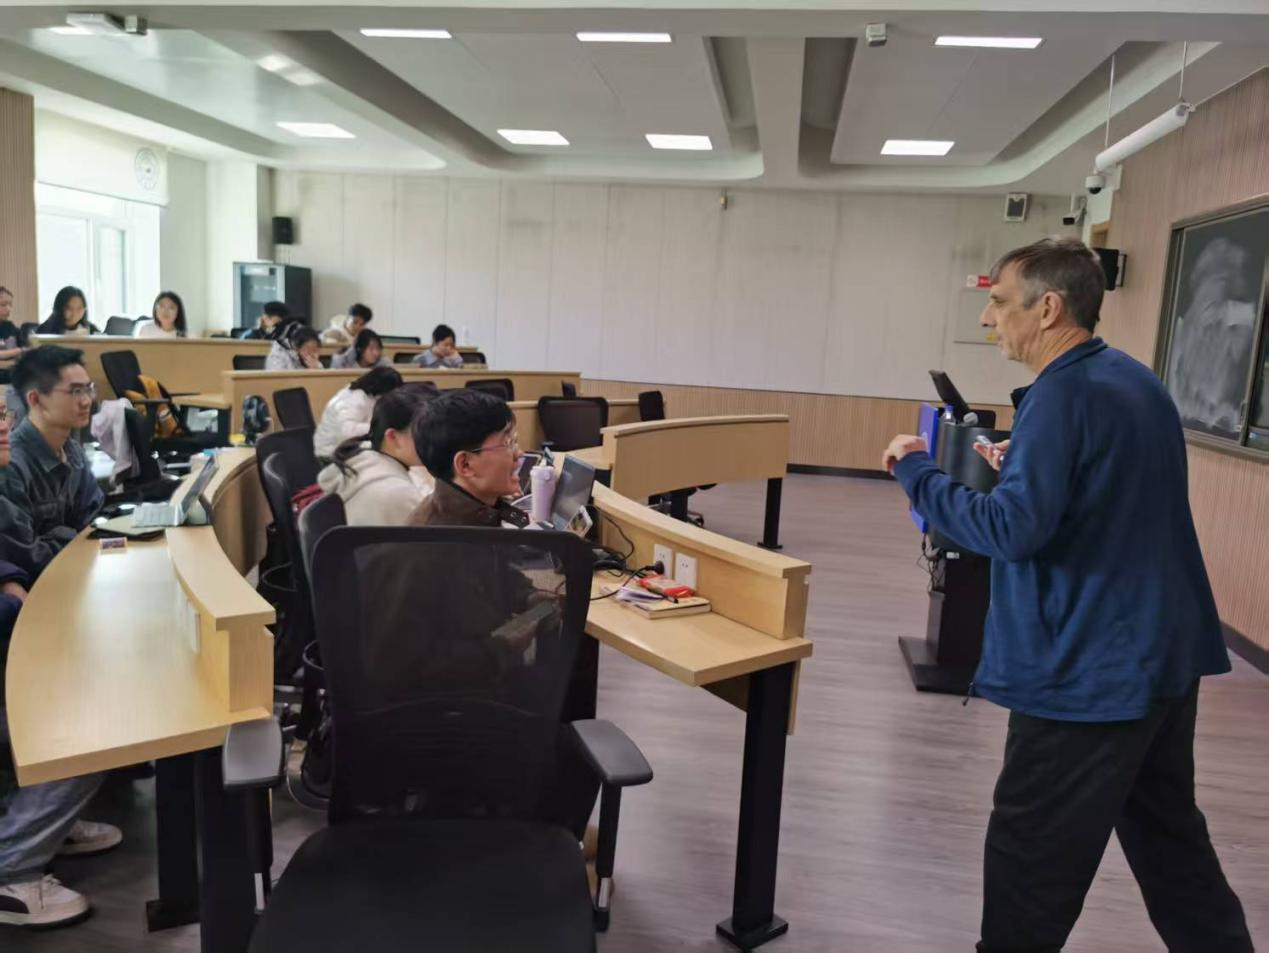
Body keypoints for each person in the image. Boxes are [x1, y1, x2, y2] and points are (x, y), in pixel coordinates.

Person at [882, 238, 1252, 953]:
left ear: (1047, 308)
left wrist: (917, 471)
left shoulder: (1062, 393)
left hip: (1088, 674)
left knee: (1030, 861)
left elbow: (1011, 531)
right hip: (1159, 657)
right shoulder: (1129, 379)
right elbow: (1103, 491)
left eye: (998, 302)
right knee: (1171, 847)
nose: (988, 318)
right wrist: (1026, 463)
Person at [0, 355, 120, 929]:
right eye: (74, 390)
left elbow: (88, 524)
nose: (3, 425)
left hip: (19, 642)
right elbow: (27, 559)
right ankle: (12, 869)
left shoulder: (65, 452)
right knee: (92, 720)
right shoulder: (14, 468)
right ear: (37, 399)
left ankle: (45, 823)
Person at [317, 383, 436, 525]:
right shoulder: (396, 493)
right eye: (429, 431)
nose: (440, 439)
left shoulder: (365, 457)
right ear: (393, 437)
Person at [410, 388, 523, 527]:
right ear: (465, 465)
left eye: (513, 440)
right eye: (507, 443)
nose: (519, 453)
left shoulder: (475, 511)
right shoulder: (447, 535)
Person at [313, 365, 403, 461]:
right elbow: (348, 432)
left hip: (344, 448)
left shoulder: (367, 396)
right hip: (329, 454)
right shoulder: (353, 399)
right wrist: (378, 427)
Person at [0, 287, 26, 361]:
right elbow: (20, 350)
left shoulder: (10, 326)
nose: (9, 309)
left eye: (10, 305)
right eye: (3, 305)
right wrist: (16, 351)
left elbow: (25, 348)